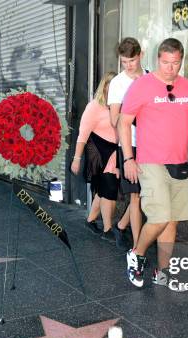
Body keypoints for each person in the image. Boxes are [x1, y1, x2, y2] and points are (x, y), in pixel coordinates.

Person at [119, 38, 188, 290]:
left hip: (179, 162)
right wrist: (128, 158)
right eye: (165, 62)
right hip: (151, 161)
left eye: (175, 63)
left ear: (181, 60)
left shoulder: (186, 87)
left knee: (172, 220)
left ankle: (162, 271)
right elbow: (124, 122)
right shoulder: (143, 86)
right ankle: (136, 255)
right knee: (160, 216)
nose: (170, 68)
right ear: (157, 60)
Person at [71, 72, 125, 247]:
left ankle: (91, 219)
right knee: (109, 187)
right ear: (105, 86)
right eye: (111, 84)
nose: (114, 88)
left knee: (103, 189)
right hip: (97, 148)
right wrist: (77, 158)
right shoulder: (94, 106)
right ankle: (108, 229)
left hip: (114, 150)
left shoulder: (121, 105)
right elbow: (83, 135)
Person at [108, 37, 146, 250]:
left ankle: (121, 226)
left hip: (152, 144)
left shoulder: (150, 77)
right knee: (135, 195)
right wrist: (133, 116)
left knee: (143, 195)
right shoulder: (118, 83)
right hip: (129, 144)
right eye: (124, 62)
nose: (128, 66)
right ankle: (138, 247)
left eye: (131, 60)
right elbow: (114, 120)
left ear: (140, 55)